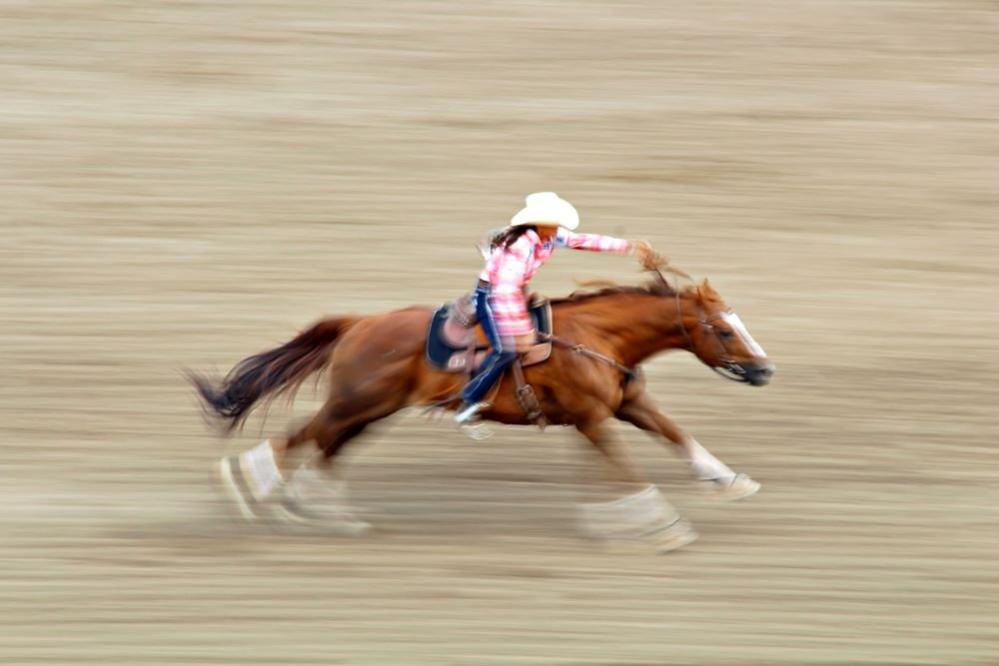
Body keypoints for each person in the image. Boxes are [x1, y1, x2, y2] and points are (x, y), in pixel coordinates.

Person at [454, 191, 661, 425]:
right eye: (551, 224)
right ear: (537, 223)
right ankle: (469, 400)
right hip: (492, 296)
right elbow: (506, 289)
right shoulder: (520, 247)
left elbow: (584, 241)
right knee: (506, 349)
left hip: (512, 292)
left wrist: (629, 247)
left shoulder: (549, 237)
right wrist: (521, 327)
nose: (556, 228)